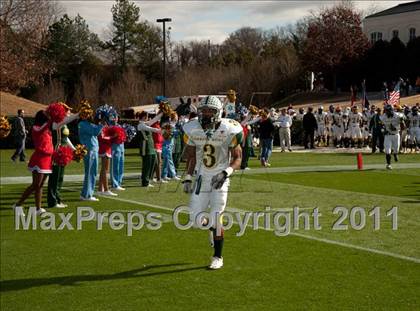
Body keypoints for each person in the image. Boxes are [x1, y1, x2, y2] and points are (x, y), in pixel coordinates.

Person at [182, 95, 243, 270]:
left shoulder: (229, 128)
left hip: (220, 178)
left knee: (216, 218)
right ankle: (211, 228)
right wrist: (187, 177)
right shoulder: (193, 128)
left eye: (210, 111)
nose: (206, 114)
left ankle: (218, 256)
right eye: (204, 110)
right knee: (195, 220)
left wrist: (226, 173)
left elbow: (238, 158)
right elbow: (192, 156)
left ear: (218, 113)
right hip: (202, 178)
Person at [13, 110, 52, 215]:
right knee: (36, 184)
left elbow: (58, 124)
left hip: (47, 159)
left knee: (40, 185)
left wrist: (75, 115)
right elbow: (45, 126)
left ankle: (38, 209)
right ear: (42, 118)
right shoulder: (36, 128)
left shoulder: (47, 130)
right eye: (46, 117)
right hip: (39, 159)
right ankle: (18, 205)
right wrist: (52, 118)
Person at [47, 107, 78, 208]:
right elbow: (67, 119)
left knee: (60, 177)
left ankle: (57, 199)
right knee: (54, 178)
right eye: (67, 111)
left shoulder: (63, 124)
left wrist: (74, 149)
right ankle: (52, 201)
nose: (69, 112)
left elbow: (66, 138)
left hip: (64, 152)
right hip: (56, 152)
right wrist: (79, 113)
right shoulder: (56, 123)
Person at [78, 113, 103, 201]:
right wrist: (101, 124)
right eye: (89, 115)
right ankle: (87, 195)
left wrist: (100, 124)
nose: (91, 116)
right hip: (90, 150)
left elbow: (97, 132)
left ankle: (87, 193)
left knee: (92, 172)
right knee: (90, 172)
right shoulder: (83, 124)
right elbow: (95, 132)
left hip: (93, 149)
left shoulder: (89, 124)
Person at [138, 111, 162, 187]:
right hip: (145, 146)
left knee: (154, 162)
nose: (148, 118)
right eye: (147, 116)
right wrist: (161, 130)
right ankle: (145, 181)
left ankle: (148, 179)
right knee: (147, 164)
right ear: (143, 117)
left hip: (151, 146)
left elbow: (154, 119)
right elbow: (151, 129)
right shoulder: (141, 125)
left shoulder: (145, 123)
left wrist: (162, 112)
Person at [380, 105, 402, 170]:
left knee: (396, 149)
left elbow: (404, 123)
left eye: (387, 111)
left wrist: (396, 128)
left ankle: (395, 154)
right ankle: (388, 164)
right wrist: (383, 130)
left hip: (396, 134)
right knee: (387, 150)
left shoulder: (398, 115)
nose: (386, 112)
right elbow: (381, 125)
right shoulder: (383, 117)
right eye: (386, 111)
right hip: (388, 135)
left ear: (391, 110)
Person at [110, 116, 126, 191]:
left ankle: (119, 183)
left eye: (116, 117)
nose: (115, 119)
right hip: (114, 147)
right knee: (115, 166)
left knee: (121, 166)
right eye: (113, 117)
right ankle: (114, 184)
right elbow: (107, 137)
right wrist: (114, 136)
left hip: (121, 147)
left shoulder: (120, 126)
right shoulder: (110, 126)